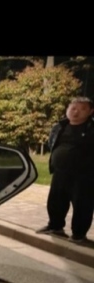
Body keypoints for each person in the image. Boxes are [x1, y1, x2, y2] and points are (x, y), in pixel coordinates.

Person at [36, 97, 94, 242]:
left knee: (82, 205)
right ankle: (55, 227)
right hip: (60, 172)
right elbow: (52, 144)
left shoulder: (91, 129)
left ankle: (79, 235)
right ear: (68, 109)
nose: (76, 112)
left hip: (84, 176)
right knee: (56, 200)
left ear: (90, 112)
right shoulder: (60, 126)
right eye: (73, 108)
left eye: (82, 109)